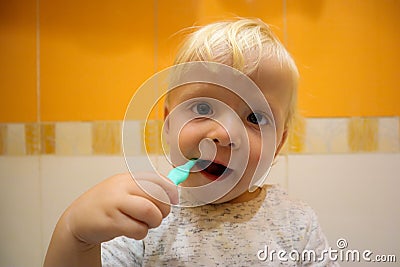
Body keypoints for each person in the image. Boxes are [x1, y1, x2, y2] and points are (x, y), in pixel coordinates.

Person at [44, 18, 338, 266]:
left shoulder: (298, 224)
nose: (223, 135)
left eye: (254, 118)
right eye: (203, 109)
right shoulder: (142, 219)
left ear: (279, 145)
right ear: (170, 125)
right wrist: (74, 236)